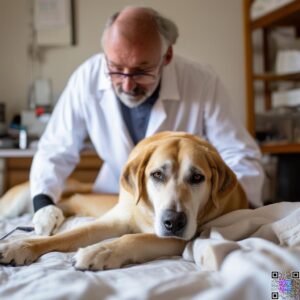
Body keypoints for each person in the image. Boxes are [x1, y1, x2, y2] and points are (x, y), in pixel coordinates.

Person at [30, 6, 265, 235]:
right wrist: (43, 202)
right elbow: (55, 148)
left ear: (167, 56)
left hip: (184, 210)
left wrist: (227, 212)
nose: (127, 85)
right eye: (116, 68)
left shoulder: (201, 81)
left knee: (284, 276)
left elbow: (240, 155)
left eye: (141, 71)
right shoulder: (87, 79)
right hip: (115, 195)